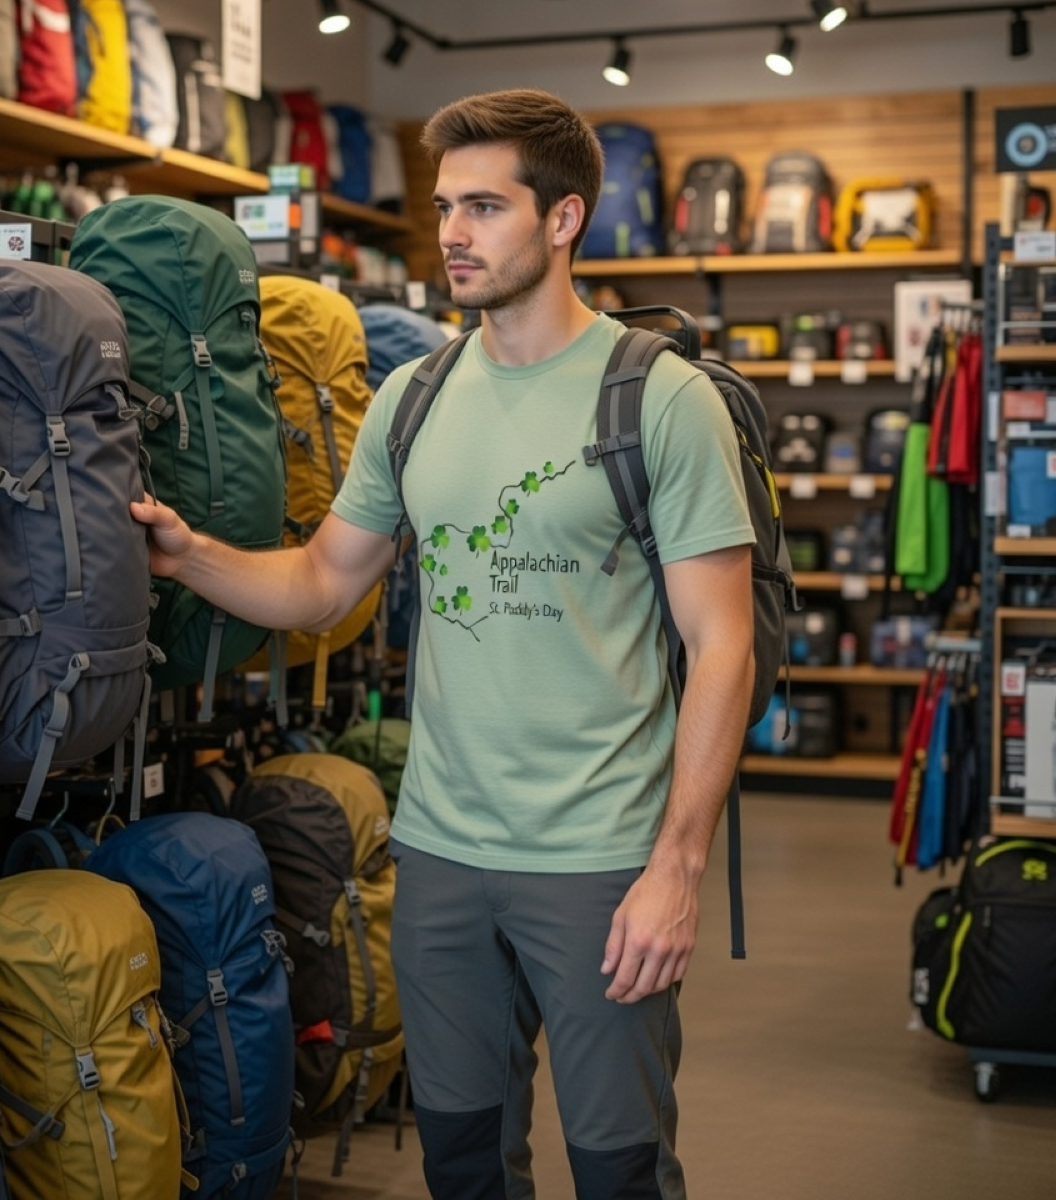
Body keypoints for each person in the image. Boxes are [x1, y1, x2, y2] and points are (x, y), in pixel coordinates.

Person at [131, 88, 756, 1200]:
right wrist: (189, 556)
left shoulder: (656, 400)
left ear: (562, 218)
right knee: (463, 1161)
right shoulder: (408, 400)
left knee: (619, 1168)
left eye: (483, 205)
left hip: (600, 860)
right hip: (441, 854)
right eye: (441, 207)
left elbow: (721, 645)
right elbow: (325, 579)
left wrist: (677, 864)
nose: (451, 234)